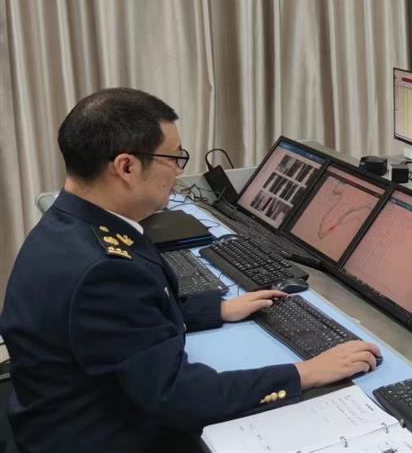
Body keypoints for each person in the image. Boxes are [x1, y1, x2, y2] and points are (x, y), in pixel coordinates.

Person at [0, 88, 382, 452]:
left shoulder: (69, 223)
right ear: (127, 167)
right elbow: (178, 396)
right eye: (174, 159)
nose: (178, 173)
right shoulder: (104, 272)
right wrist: (305, 374)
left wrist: (217, 309)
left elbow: (123, 325)